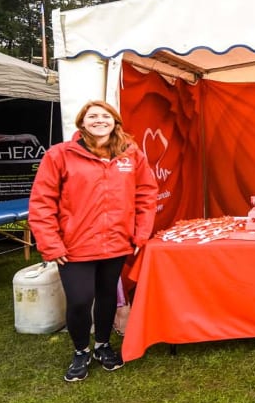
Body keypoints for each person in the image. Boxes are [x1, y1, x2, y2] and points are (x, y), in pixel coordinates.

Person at [29, 100, 158, 382]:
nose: (99, 120)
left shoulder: (130, 154)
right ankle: (80, 351)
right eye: (92, 116)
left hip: (116, 242)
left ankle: (102, 345)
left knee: (108, 295)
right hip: (74, 245)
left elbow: (146, 195)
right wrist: (50, 244)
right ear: (82, 123)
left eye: (105, 116)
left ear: (115, 121)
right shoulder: (60, 155)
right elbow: (42, 203)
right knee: (79, 300)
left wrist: (141, 233)